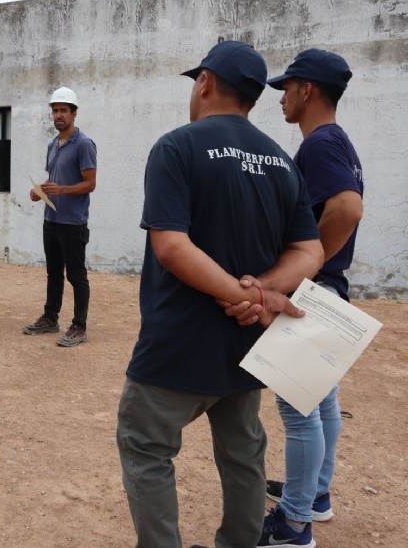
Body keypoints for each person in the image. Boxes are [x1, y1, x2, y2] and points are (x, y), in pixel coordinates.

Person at [115, 41, 324, 548]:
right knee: (244, 453)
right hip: (247, 344)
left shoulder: (177, 146)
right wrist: (263, 292)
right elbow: (310, 249)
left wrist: (244, 293)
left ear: (205, 82)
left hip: (177, 344)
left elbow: (170, 246)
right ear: (252, 97)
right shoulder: (281, 161)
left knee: (146, 448)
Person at [247, 48, 363, 548]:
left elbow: (346, 207)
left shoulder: (320, 144)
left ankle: (295, 523)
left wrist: (305, 268)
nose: (281, 98)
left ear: (307, 90)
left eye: (286, 88)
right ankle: (314, 495)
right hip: (330, 286)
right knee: (322, 402)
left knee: (298, 410)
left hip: (314, 289)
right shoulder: (339, 142)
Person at [22, 86, 97, 347]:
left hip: (73, 222)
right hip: (51, 219)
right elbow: (54, 179)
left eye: (63, 110)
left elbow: (90, 184)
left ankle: (79, 326)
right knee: (53, 272)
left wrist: (62, 190)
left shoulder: (84, 144)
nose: (58, 115)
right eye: (55, 111)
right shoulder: (52, 145)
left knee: (76, 275)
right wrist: (40, 190)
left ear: (74, 114)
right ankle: (50, 318)